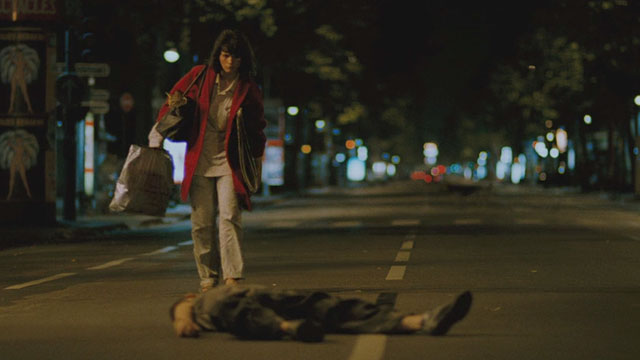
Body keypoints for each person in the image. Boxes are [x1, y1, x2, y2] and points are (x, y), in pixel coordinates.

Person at [150, 30, 266, 292]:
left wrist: (256, 160)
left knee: (229, 217)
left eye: (236, 57)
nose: (230, 62)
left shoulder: (248, 87)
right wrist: (157, 134)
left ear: (243, 59)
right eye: (226, 56)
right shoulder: (200, 76)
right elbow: (172, 103)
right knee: (201, 222)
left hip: (230, 162)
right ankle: (207, 276)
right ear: (218, 55)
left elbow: (258, 126)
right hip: (199, 159)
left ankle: (232, 275)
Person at [170, 285, 473, 342]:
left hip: (264, 295)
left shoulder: (215, 295)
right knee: (242, 312)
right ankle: (288, 327)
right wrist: (184, 320)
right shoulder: (199, 302)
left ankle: (421, 321)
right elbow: (181, 313)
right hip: (232, 307)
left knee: (330, 306)